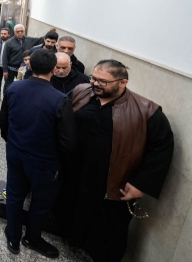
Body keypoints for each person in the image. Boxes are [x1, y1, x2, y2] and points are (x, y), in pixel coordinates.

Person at [58, 60, 174, 262]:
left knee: (107, 229)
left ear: (123, 82)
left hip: (111, 182)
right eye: (94, 78)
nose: (95, 84)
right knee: (71, 209)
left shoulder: (146, 111)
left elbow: (161, 149)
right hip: (74, 171)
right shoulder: (82, 92)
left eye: (103, 81)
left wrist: (141, 184)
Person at [0, 49, 76, 258]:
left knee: (14, 196)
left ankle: (13, 237)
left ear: (30, 66)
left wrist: (11, 142)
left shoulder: (14, 88)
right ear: (53, 69)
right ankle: (32, 238)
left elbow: (3, 120)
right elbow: (68, 143)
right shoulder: (60, 99)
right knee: (41, 203)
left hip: (16, 153)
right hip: (45, 162)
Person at [1, 24, 44, 94]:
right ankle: (6, 99)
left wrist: (50, 33)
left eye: (22, 31)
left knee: (22, 86)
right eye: (18, 31)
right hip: (11, 69)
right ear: (14, 32)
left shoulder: (29, 40)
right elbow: (5, 57)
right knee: (8, 85)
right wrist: (5, 70)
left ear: (24, 31)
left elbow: (41, 40)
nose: (20, 33)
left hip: (24, 69)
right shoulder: (9, 42)